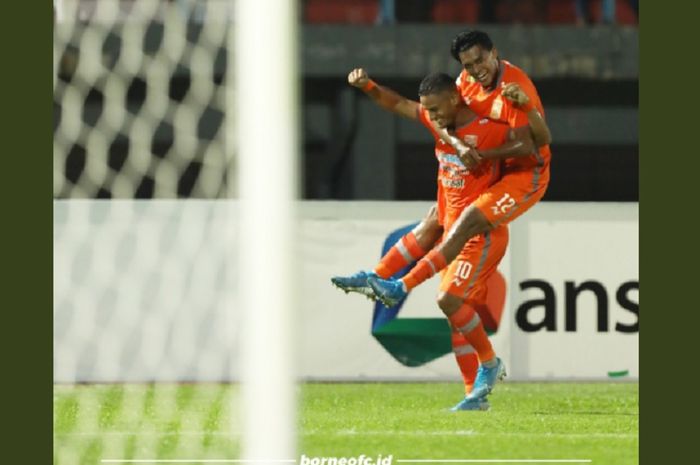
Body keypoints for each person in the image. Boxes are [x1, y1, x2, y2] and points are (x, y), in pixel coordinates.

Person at [333, 69, 535, 410]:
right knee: (454, 308)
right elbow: (394, 102)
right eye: (429, 110)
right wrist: (367, 85)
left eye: (438, 109)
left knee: (449, 300)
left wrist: (524, 112)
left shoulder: (489, 128)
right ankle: (475, 394)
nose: (433, 115)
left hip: (479, 235)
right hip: (449, 221)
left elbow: (528, 145)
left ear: (455, 98)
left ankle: (488, 362)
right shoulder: (436, 118)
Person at [368, 30, 553, 344]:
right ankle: (376, 278)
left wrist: (479, 154)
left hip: (524, 174)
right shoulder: (464, 83)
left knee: (466, 222)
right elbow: (442, 115)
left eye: (480, 59)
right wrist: (458, 145)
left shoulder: (515, 87)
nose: (475, 69)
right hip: (488, 167)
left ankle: (401, 285)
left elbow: (536, 143)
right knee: (436, 223)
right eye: (467, 64)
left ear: (494, 53)